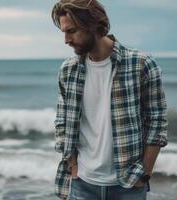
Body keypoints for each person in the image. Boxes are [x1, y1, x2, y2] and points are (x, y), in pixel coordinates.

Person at [51, 0, 168, 199]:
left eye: (71, 31)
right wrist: (72, 165)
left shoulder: (141, 64)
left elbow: (157, 122)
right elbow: (62, 121)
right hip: (82, 184)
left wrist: (145, 172)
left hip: (128, 184)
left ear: (93, 25)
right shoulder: (68, 70)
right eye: (63, 32)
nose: (66, 40)